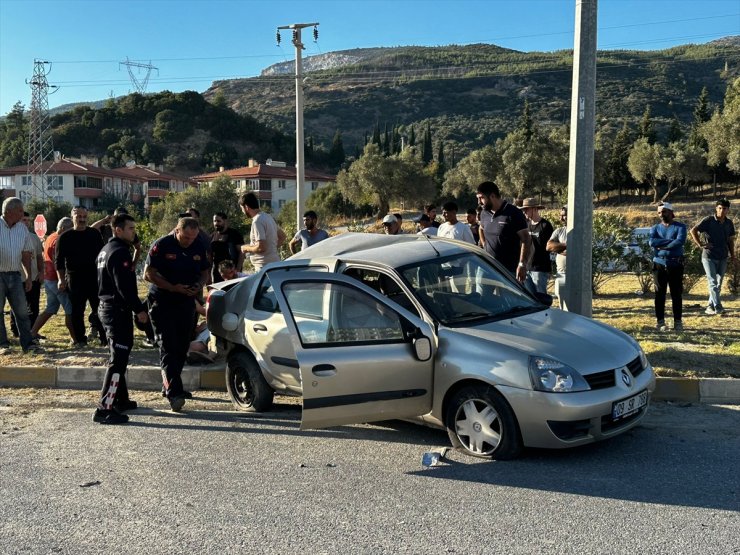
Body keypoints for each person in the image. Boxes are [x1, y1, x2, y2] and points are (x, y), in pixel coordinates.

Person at [144, 217, 210, 411]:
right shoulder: (162, 245)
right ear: (177, 231)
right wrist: (172, 288)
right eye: (186, 237)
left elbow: (206, 270)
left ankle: (172, 385)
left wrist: (199, 285)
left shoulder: (198, 245)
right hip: (163, 300)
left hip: (186, 300)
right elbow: (148, 274)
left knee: (182, 346)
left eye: (193, 237)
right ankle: (174, 393)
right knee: (168, 345)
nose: (189, 241)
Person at [93, 214, 149, 425]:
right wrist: (139, 310)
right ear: (117, 230)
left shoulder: (106, 249)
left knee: (120, 355)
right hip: (116, 310)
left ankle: (120, 400)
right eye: (130, 229)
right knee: (118, 359)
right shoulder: (118, 252)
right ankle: (104, 408)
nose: (134, 232)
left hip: (108, 308)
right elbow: (124, 287)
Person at [55, 206, 106, 347]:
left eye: (84, 216)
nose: (82, 219)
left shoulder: (94, 234)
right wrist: (60, 279)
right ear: (73, 217)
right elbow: (58, 261)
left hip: (94, 278)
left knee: (100, 309)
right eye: (79, 217)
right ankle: (80, 340)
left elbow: (103, 255)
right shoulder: (64, 237)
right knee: (77, 311)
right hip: (74, 279)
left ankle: (104, 338)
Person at [0, 197, 39, 354]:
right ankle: (3, 345)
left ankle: (28, 344)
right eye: (20, 210)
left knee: (22, 311)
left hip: (15, 275)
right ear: (9, 211)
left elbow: (26, 253)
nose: (23, 214)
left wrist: (28, 276)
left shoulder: (22, 229)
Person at [30, 217, 76, 342]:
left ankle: (32, 332)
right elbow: (58, 261)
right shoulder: (59, 240)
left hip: (49, 278)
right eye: (70, 229)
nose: (73, 232)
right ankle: (75, 338)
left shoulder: (51, 237)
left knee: (50, 308)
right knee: (69, 309)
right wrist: (63, 279)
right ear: (63, 229)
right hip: (56, 279)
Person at [476, 181, 531, 282]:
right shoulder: (484, 213)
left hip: (508, 270)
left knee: (509, 298)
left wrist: (522, 264)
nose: (479, 202)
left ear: (492, 196)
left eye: (481, 198)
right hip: (487, 266)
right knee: (482, 297)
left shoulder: (514, 213)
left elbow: (526, 238)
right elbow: (481, 228)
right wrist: (484, 245)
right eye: (478, 198)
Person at [690, 198, 736, 315]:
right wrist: (701, 244)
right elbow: (693, 230)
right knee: (713, 282)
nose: (721, 210)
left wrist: (733, 255)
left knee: (719, 283)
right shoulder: (709, 220)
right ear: (716, 208)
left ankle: (710, 306)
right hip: (709, 257)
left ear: (728, 210)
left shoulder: (729, 223)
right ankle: (718, 307)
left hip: (723, 256)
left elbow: (730, 240)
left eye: (724, 208)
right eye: (719, 208)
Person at [649, 202, 687, 331]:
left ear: (671, 212)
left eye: (664, 211)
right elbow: (651, 242)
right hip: (659, 263)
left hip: (675, 264)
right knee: (659, 294)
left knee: (676, 294)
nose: (661, 215)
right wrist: (671, 242)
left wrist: (662, 245)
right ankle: (660, 322)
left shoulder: (680, 227)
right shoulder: (655, 228)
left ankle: (678, 322)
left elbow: (680, 241)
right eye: (659, 212)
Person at [10, 212, 44, 336]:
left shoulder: (34, 237)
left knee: (34, 306)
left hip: (34, 277)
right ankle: (16, 331)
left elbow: (39, 256)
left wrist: (41, 272)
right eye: (23, 220)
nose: (26, 223)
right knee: (18, 306)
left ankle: (33, 330)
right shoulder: (12, 237)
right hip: (17, 277)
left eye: (28, 220)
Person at [238, 192, 286, 272]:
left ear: (246, 207)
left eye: (242, 209)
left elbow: (261, 247)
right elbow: (282, 236)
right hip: (274, 264)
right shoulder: (268, 217)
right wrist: (271, 249)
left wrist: (246, 248)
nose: (243, 212)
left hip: (263, 267)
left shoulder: (257, 221)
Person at [521, 198, 554, 295]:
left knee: (541, 297)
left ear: (535, 209)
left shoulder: (545, 225)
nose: (524, 212)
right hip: (527, 268)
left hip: (540, 269)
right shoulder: (525, 225)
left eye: (526, 209)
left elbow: (550, 246)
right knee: (530, 297)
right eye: (523, 210)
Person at [210, 212, 244, 283]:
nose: (216, 223)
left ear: (225, 221)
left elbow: (242, 252)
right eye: (214, 221)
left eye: (218, 221)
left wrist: (237, 270)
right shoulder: (212, 236)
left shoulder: (234, 234)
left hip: (232, 272)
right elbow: (210, 255)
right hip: (218, 273)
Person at [547, 206, 568, 310]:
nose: (561, 218)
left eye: (564, 215)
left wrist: (559, 248)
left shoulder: (580, 231)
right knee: (562, 305)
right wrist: (566, 245)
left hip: (576, 275)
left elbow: (578, 249)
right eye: (561, 215)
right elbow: (549, 246)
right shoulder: (559, 231)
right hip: (561, 274)